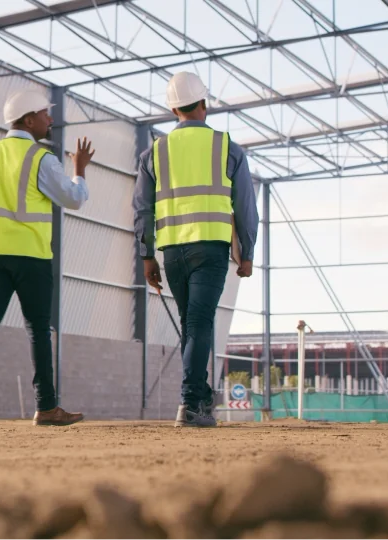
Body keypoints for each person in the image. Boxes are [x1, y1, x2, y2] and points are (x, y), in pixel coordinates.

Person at [0, 89, 95, 427]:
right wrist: (80, 170)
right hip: (30, 255)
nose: (50, 119)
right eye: (44, 114)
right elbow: (73, 199)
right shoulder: (40, 158)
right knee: (39, 330)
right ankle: (46, 407)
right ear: (28, 120)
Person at [132, 72, 259, 428]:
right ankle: (190, 403)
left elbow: (142, 209)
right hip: (210, 248)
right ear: (205, 104)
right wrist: (246, 253)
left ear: (173, 108)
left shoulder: (154, 152)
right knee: (200, 325)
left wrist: (147, 256)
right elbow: (246, 206)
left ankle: (201, 399)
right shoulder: (226, 147)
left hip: (173, 252)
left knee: (193, 326)